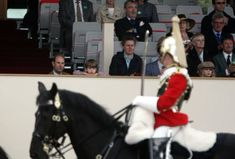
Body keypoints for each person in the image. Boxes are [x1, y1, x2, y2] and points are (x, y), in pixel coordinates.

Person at [125, 16, 217, 156]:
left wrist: (140, 100)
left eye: (164, 55)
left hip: (169, 121)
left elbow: (165, 103)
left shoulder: (179, 76)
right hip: (162, 118)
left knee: (158, 146)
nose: (161, 58)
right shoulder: (169, 75)